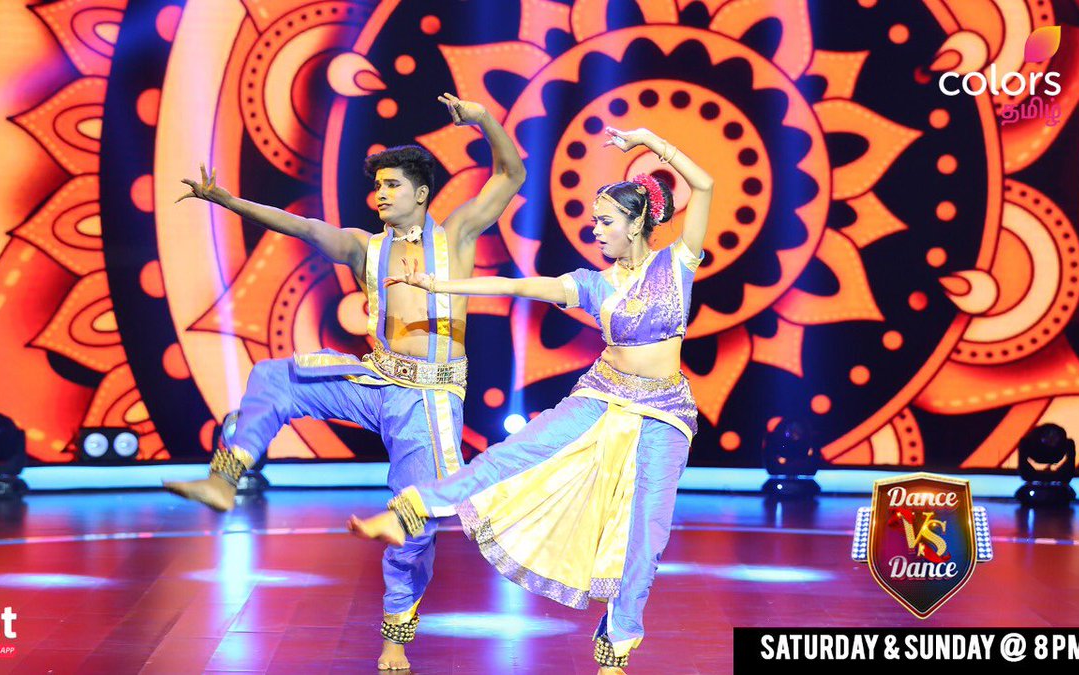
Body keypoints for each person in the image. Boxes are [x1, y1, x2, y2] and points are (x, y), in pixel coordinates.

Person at [164, 93, 525, 671]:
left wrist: (483, 119)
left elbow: (511, 174)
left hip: (429, 399)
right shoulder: (365, 247)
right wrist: (229, 202)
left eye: (392, 185)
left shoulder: (456, 235)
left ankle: (394, 639)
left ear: (421, 193)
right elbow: (303, 226)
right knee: (275, 377)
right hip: (375, 379)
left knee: (412, 522)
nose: (380, 194)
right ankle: (225, 480)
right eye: (377, 185)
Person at [349, 125, 714, 674]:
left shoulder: (677, 264)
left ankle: (616, 651)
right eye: (594, 221)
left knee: (647, 537)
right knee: (509, 457)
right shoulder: (593, 284)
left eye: (606, 221)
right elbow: (517, 285)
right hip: (601, 395)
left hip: (665, 415)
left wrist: (650, 142)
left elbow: (703, 186)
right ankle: (411, 510)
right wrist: (442, 286)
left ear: (637, 222)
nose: (596, 231)